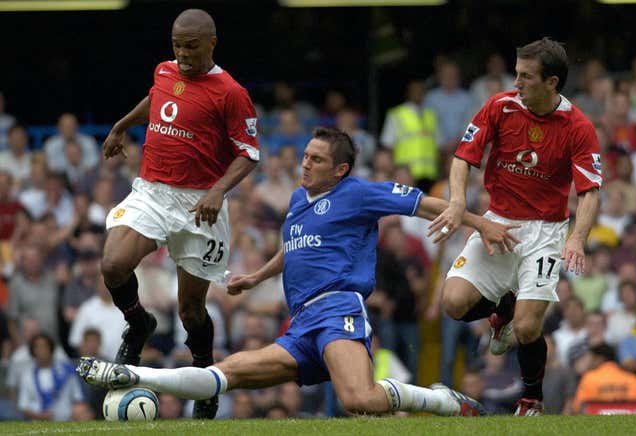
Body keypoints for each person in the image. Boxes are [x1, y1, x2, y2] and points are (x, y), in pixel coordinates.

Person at [77, 127, 521, 417]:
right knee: (230, 372)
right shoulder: (295, 202)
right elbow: (295, 250)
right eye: (305, 156)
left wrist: (481, 223)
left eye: (317, 160)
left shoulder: (359, 194)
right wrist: (257, 277)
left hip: (338, 309)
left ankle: (442, 401)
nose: (305, 163)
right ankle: (134, 376)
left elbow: (425, 204)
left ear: (341, 170)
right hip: (301, 321)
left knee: (358, 401)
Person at [97, 8, 260, 418]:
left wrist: (219, 191)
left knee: (190, 311)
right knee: (113, 265)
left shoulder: (231, 92)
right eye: (176, 45)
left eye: (191, 46)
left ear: (211, 43)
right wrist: (121, 125)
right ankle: (139, 324)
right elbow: (156, 99)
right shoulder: (165, 71)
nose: (183, 54)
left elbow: (250, 154)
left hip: (198, 205)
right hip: (153, 192)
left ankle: (205, 378)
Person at [431, 38, 601, 415]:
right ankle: (503, 306)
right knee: (453, 303)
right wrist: (459, 201)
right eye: (517, 73)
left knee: (526, 329)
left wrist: (577, 237)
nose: (516, 82)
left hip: (546, 232)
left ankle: (531, 401)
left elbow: (589, 192)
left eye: (525, 76)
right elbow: (463, 157)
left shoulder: (578, 126)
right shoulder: (500, 106)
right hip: (497, 222)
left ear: (551, 82)